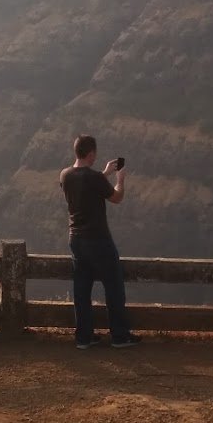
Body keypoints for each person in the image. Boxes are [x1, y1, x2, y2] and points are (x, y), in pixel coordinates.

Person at [58, 134, 139, 349]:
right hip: (98, 240)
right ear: (91, 153)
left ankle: (84, 338)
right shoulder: (94, 178)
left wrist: (103, 174)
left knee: (81, 290)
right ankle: (120, 336)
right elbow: (116, 198)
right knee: (113, 286)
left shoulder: (65, 175)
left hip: (75, 240)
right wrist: (119, 179)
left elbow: (84, 189)